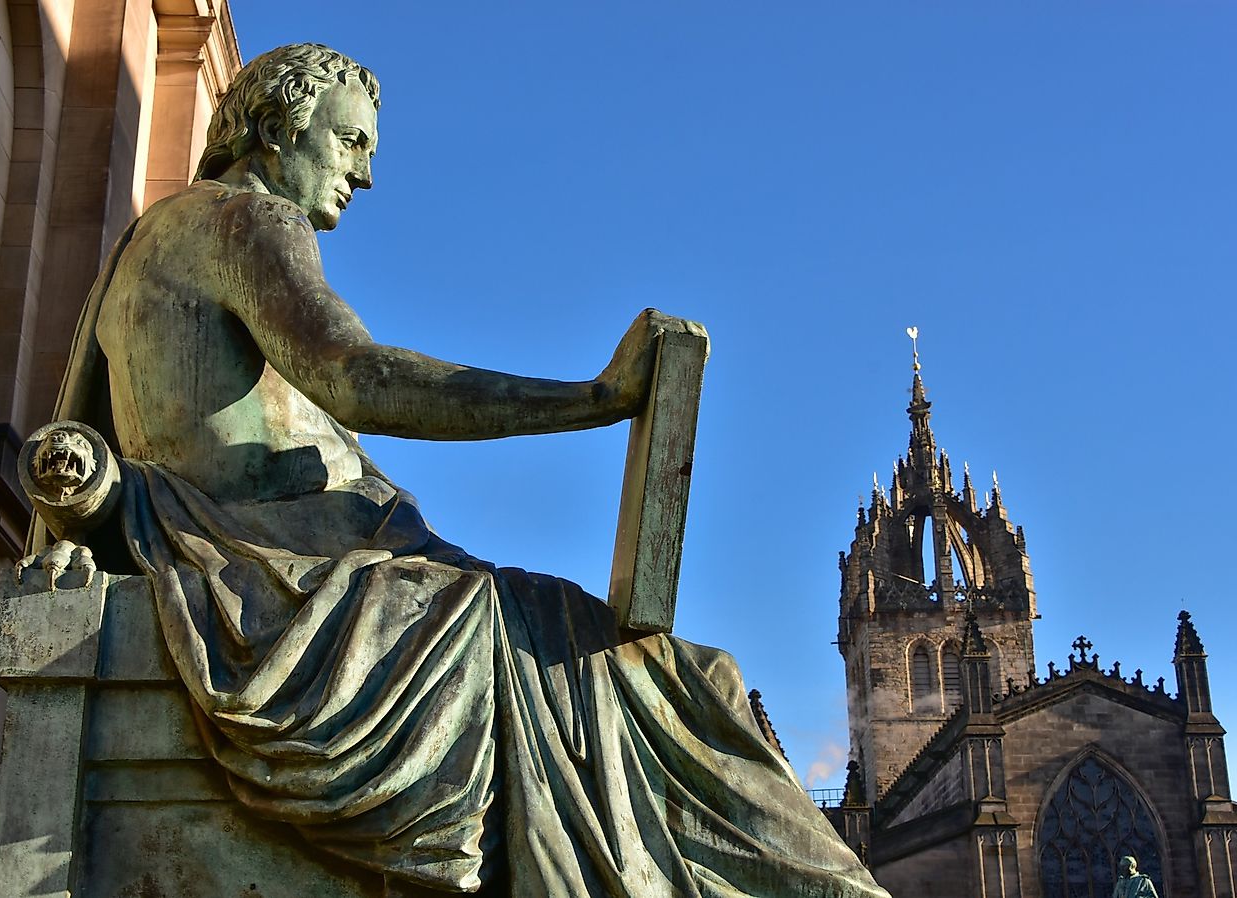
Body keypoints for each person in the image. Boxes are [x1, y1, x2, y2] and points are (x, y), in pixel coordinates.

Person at [45, 43, 890, 898]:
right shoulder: (249, 222)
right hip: (284, 583)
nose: (365, 175)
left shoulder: (137, 245)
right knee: (676, 688)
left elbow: (71, 426)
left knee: (660, 680)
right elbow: (359, 378)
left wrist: (78, 534)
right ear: (275, 128)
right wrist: (598, 398)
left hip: (264, 561)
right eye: (351, 143)